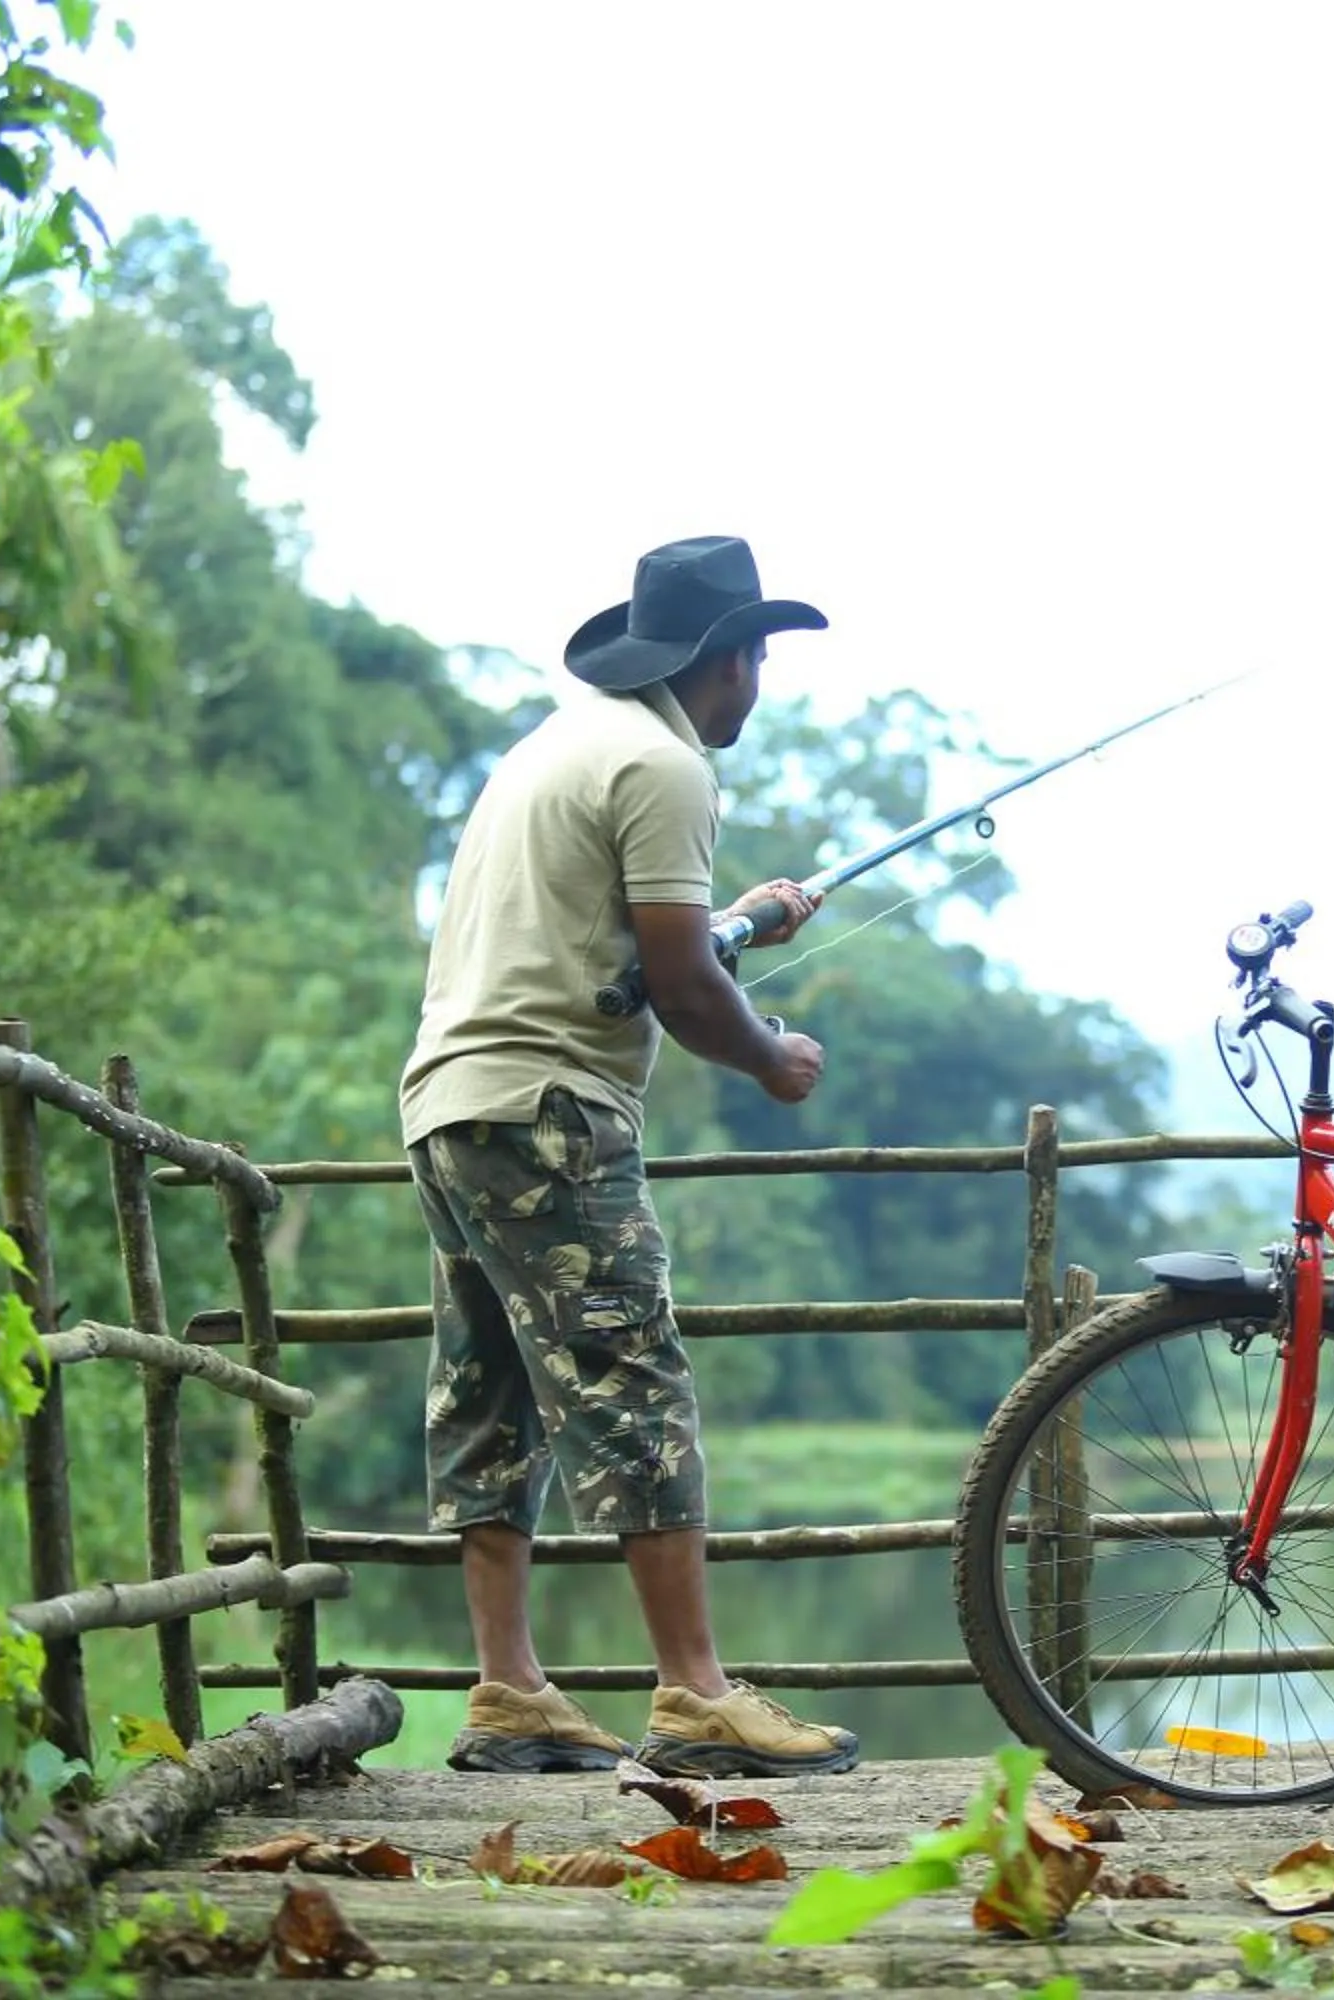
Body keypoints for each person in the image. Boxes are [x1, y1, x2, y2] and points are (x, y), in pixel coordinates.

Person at [396, 534, 860, 1778]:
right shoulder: (665, 765)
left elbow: (613, 948)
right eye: (757, 656)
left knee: (488, 1392)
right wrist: (770, 1056)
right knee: (633, 1383)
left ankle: (509, 1689)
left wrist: (736, 922)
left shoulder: (557, 746)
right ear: (725, 659)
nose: (759, 683)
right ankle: (697, 1693)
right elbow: (675, 984)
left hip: (451, 1103)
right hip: (552, 1112)